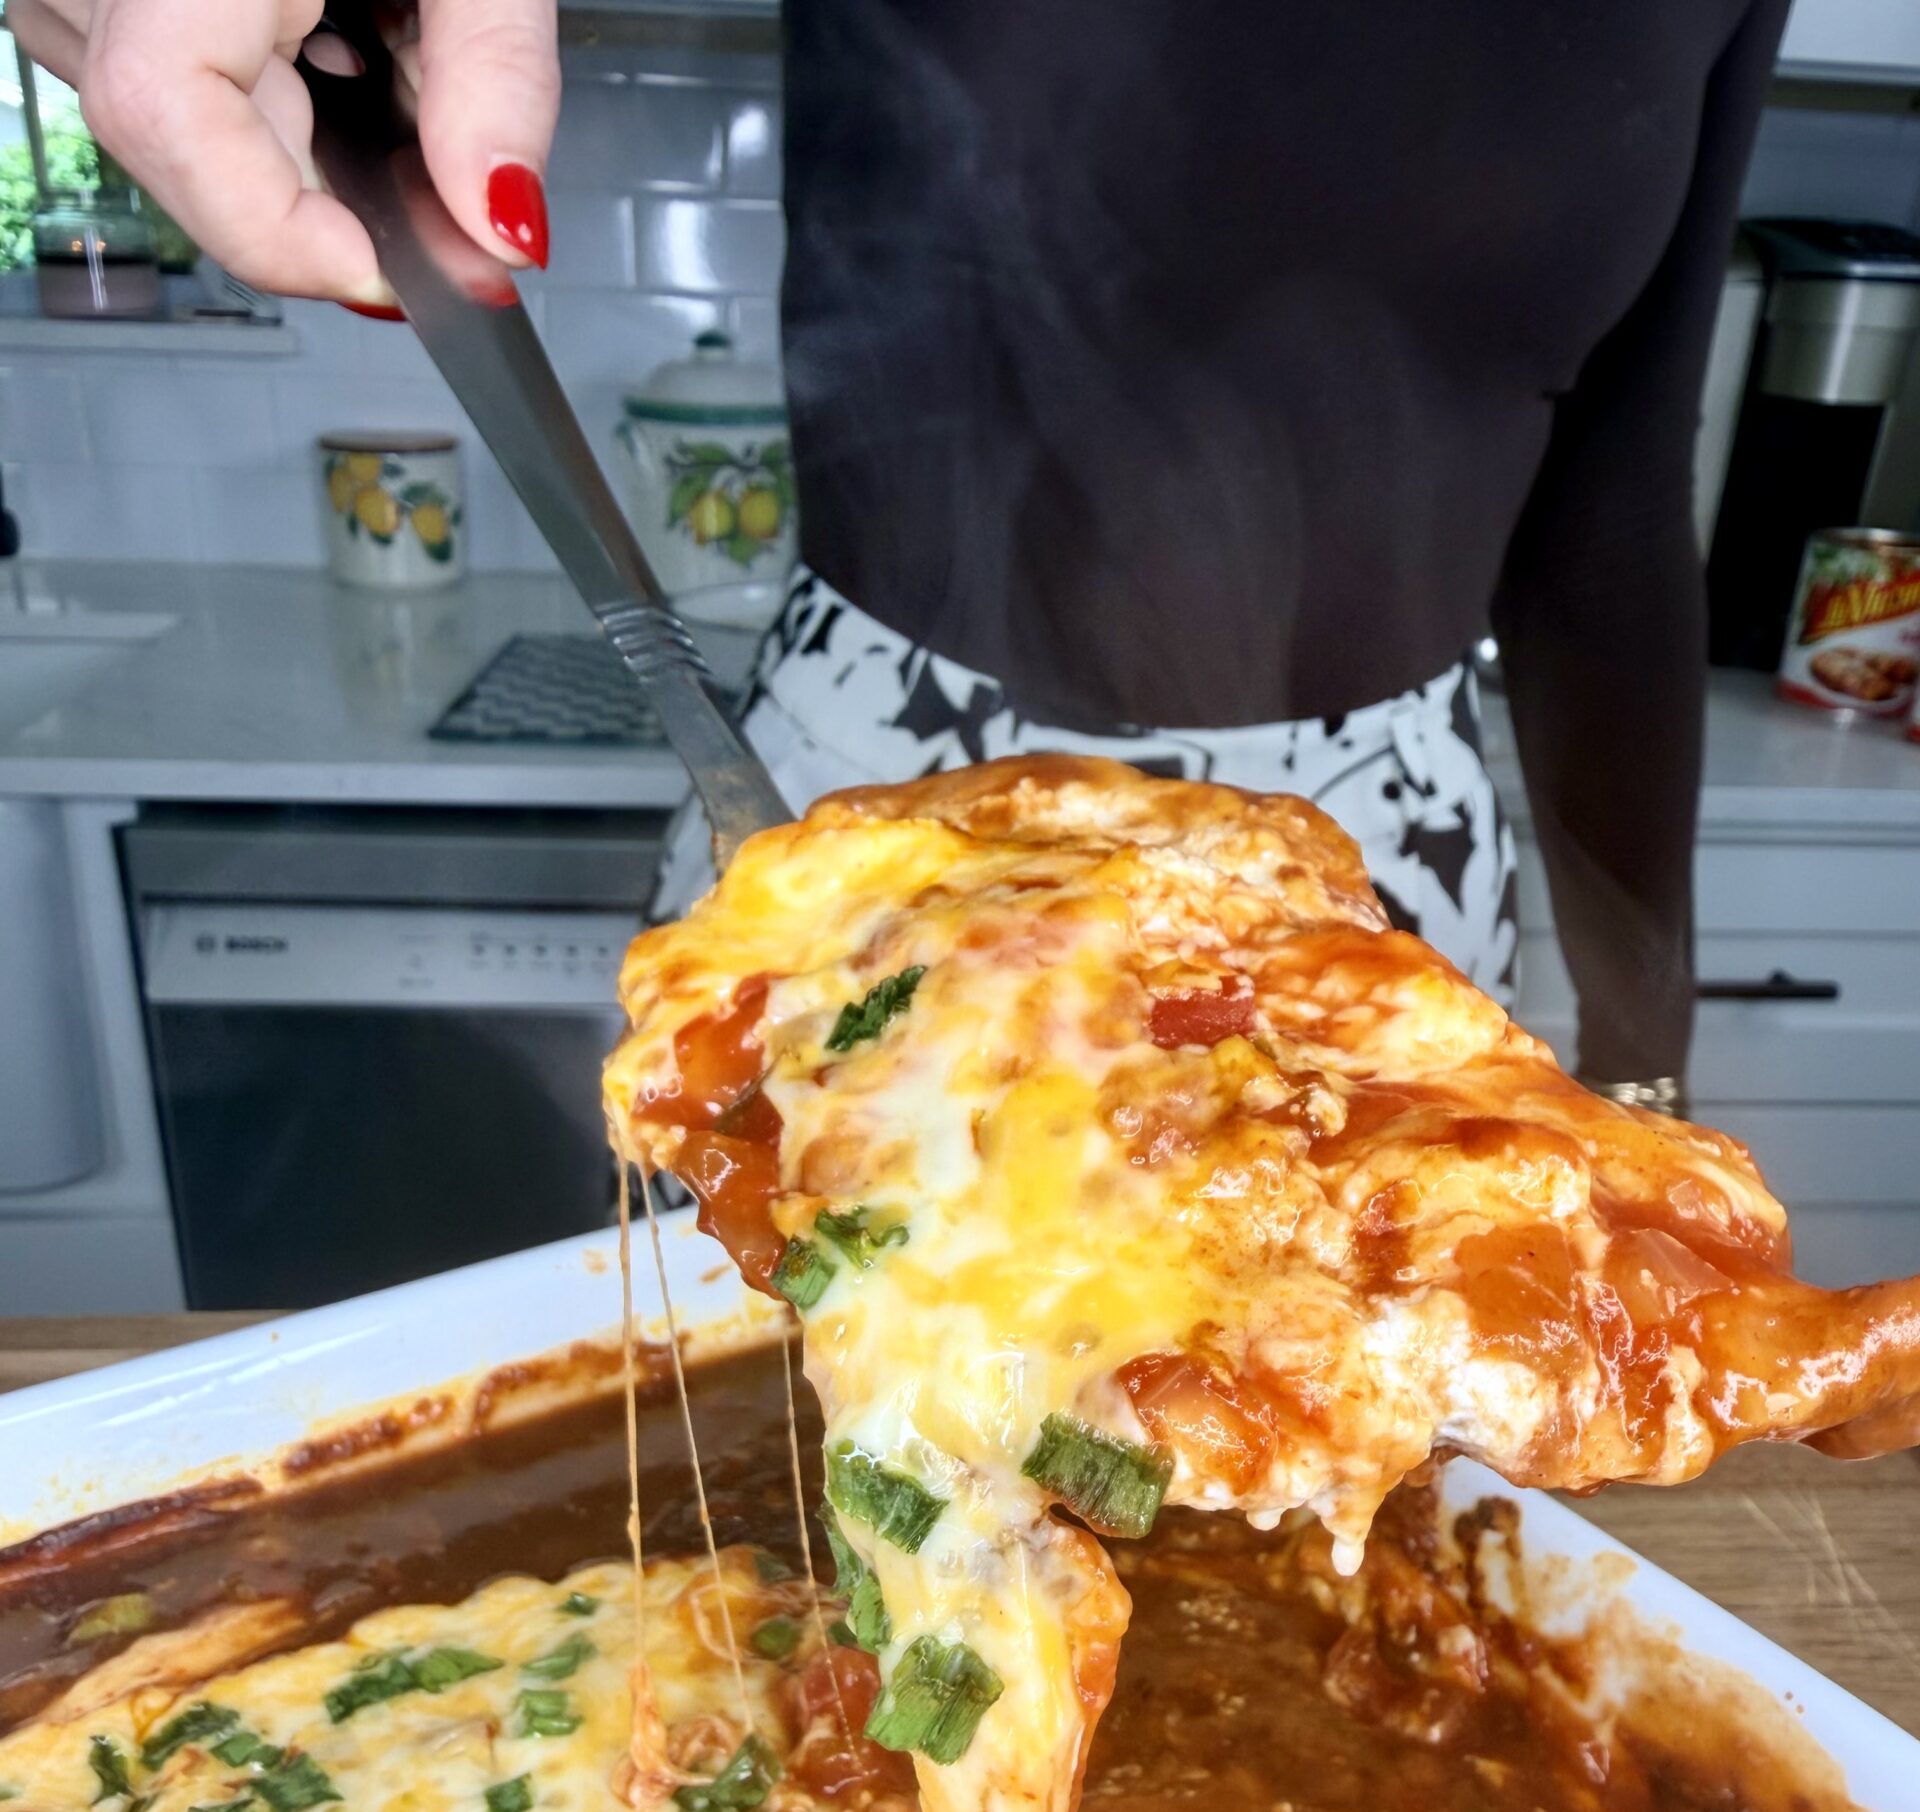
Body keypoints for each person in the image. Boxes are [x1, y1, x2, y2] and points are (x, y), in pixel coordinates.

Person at [17, 0, 1792, 1110]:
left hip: (1381, 868)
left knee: (1329, 1556)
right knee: (781, 1522)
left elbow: (1615, 508)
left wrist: (1645, 1062)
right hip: (865, 804)